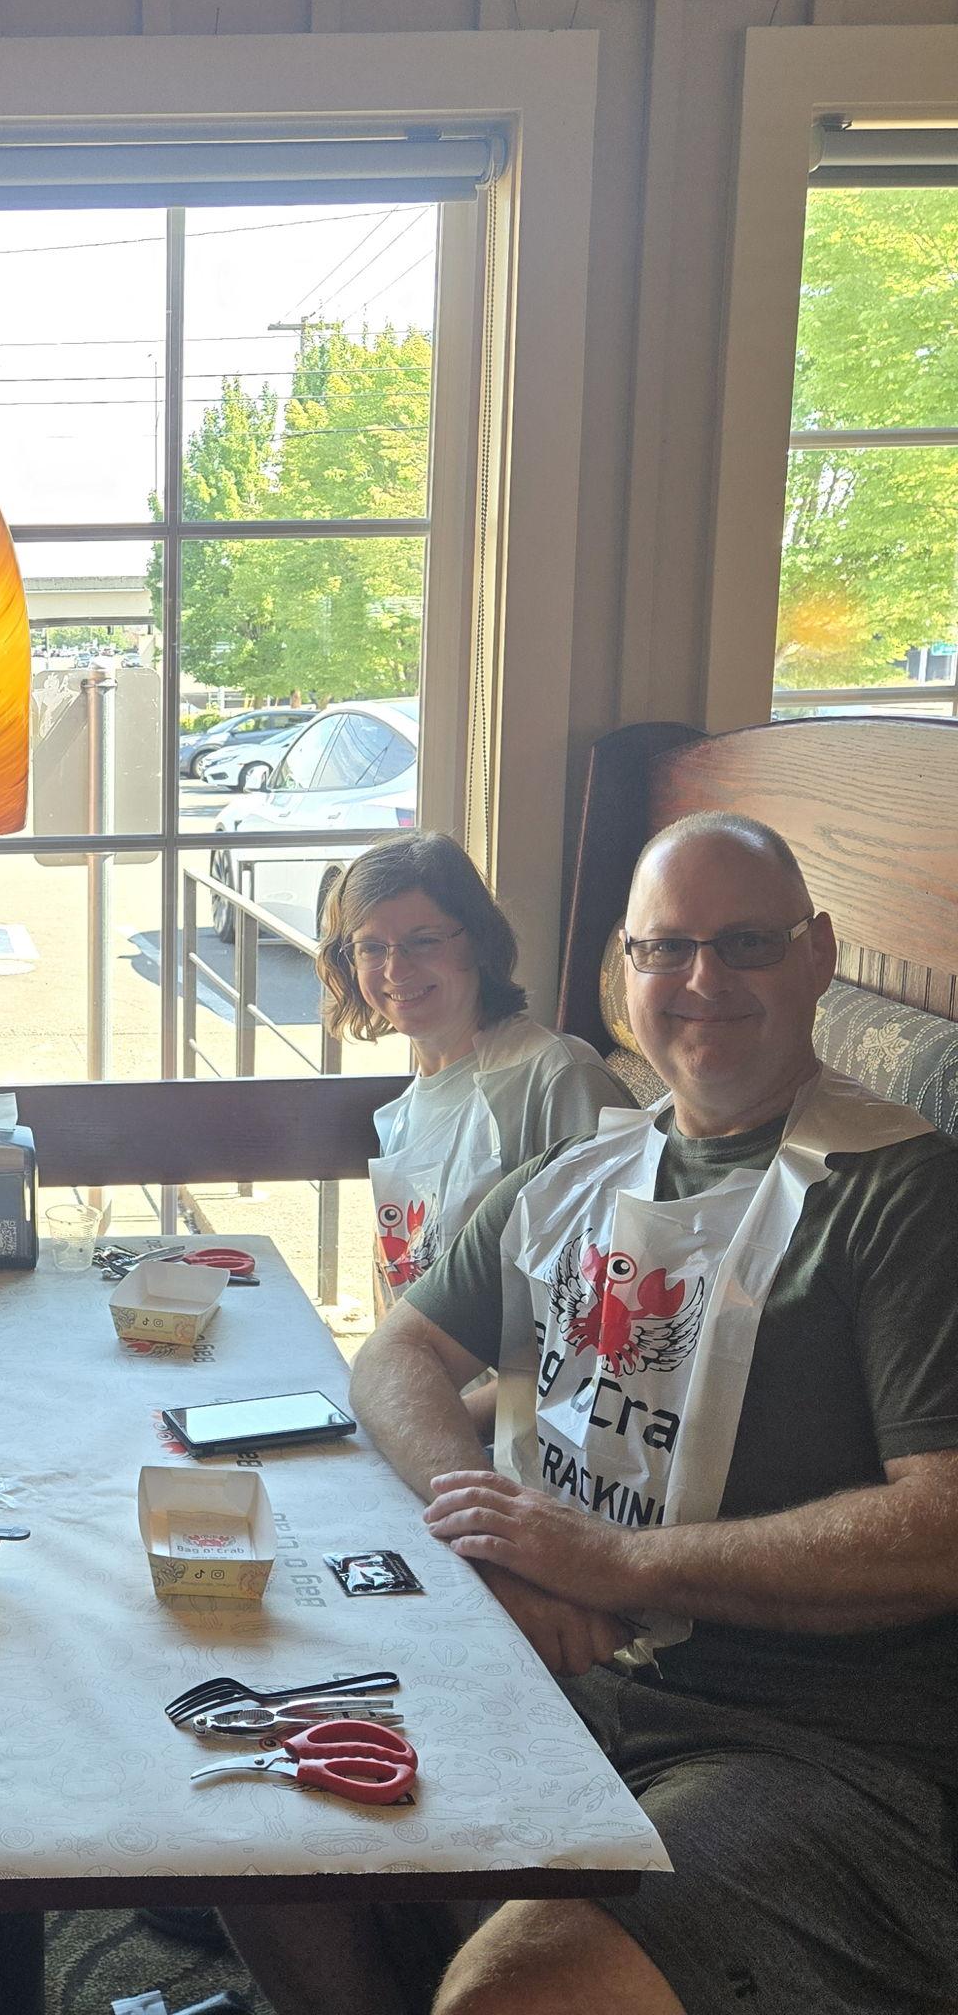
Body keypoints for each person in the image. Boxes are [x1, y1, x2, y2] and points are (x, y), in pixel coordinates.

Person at [349, 812, 958, 2012]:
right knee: (231, 1793)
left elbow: (942, 1525)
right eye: (663, 947)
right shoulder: (577, 1171)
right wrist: (502, 1544)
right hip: (561, 1665)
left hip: (803, 1739)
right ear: (620, 969)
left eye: (744, 943)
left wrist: (614, 1561)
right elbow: (396, 1355)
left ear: (817, 953)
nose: (699, 980)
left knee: (510, 1993)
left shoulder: (905, 1195)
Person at [316, 832, 630, 1321]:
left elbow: (609, 1294)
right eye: (371, 948)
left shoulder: (559, 1078)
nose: (396, 969)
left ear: (480, 941)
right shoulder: (405, 1111)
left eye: (424, 941)